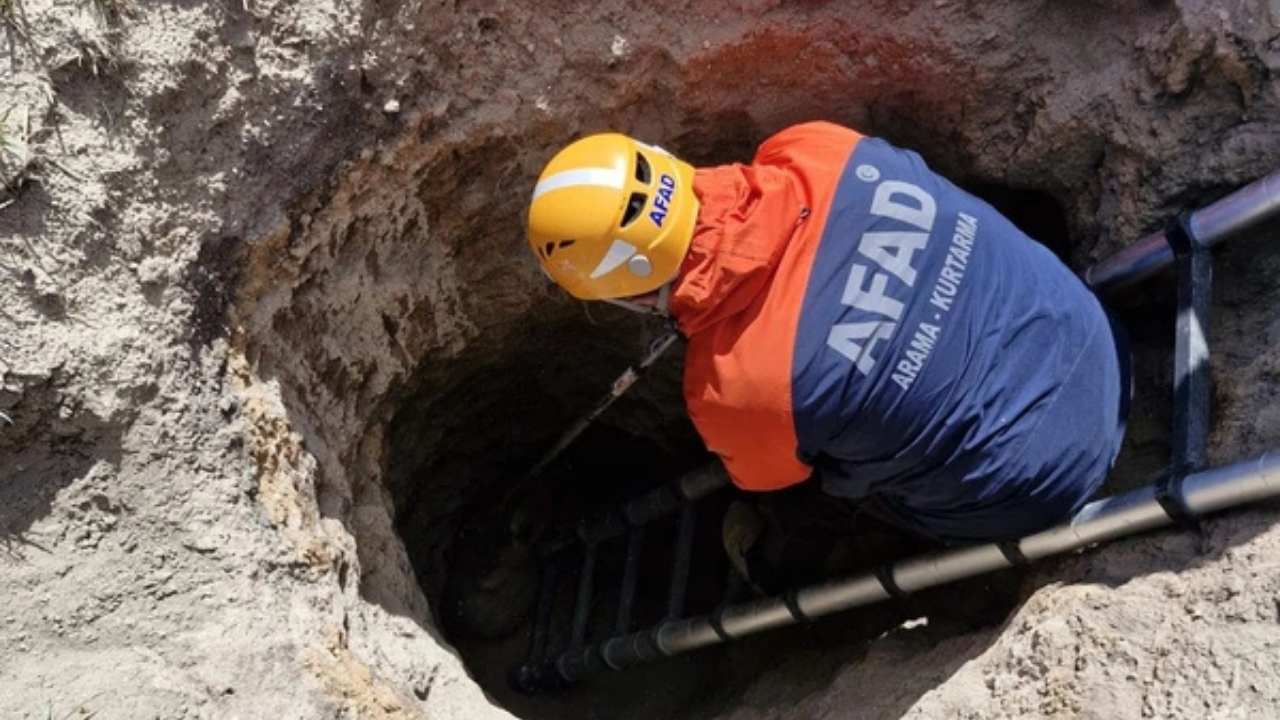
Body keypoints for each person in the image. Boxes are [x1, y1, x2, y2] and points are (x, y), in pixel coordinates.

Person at [526, 121, 1129, 590]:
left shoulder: (734, 387)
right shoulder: (812, 146)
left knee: (807, 495)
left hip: (1038, 482)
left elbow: (774, 480)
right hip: (1094, 337)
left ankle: (778, 570)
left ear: (629, 290)